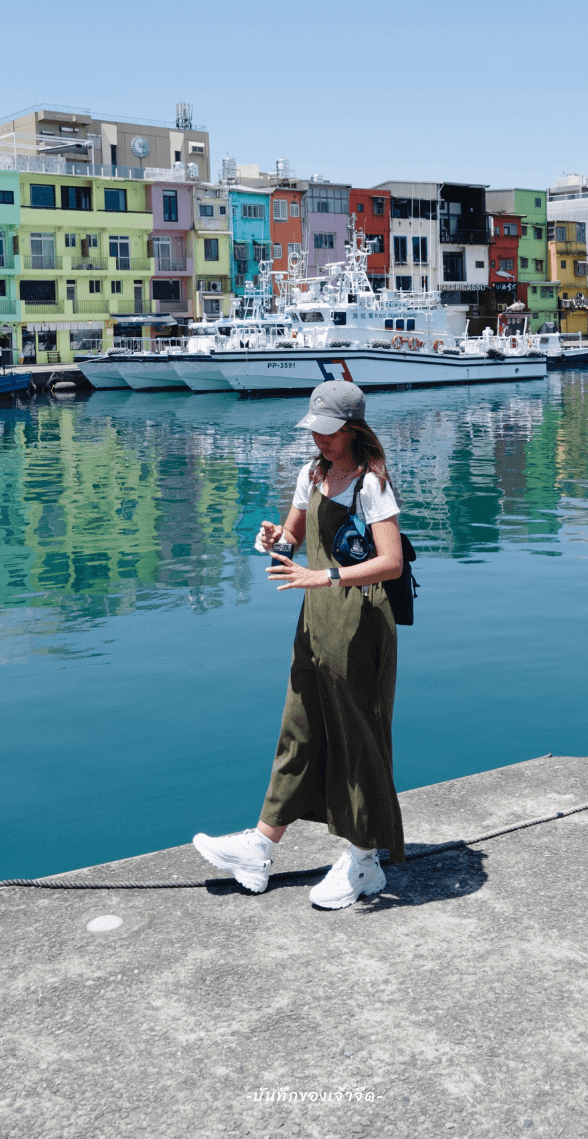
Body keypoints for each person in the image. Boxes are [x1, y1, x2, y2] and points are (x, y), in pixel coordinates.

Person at [193, 380, 405, 910]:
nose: (320, 440)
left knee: (357, 736)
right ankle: (261, 848)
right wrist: (271, 540)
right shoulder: (311, 473)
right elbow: (289, 540)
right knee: (299, 728)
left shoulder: (370, 483)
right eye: (314, 429)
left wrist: (325, 576)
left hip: (359, 619)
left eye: (329, 431)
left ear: (353, 429)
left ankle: (363, 860)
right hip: (315, 619)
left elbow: (391, 563)